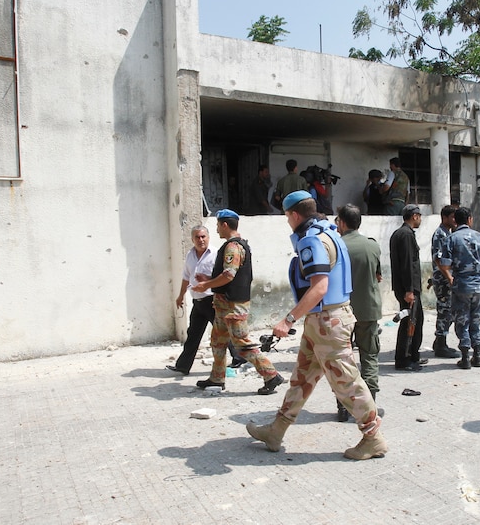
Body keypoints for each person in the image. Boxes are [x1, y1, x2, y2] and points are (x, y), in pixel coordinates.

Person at [246, 191, 387, 460]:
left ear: (294, 215)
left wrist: (288, 320)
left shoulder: (312, 240)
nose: (287, 221)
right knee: (302, 378)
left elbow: (320, 286)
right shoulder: (330, 231)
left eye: (287, 216)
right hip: (322, 322)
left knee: (347, 383)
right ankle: (276, 431)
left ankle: (373, 438)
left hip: (328, 323)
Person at [191, 209, 284, 395]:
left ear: (225, 225)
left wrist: (206, 285)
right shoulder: (233, 245)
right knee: (218, 341)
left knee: (242, 344)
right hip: (224, 305)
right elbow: (228, 274)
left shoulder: (233, 247)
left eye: (218, 225)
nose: (217, 229)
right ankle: (217, 378)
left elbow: (229, 275)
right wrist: (209, 277)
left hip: (233, 307)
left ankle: (271, 375)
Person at [336, 203, 383, 421]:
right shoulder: (372, 246)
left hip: (341, 311)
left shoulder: (336, 245)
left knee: (343, 360)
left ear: (342, 222)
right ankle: (369, 405)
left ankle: (344, 407)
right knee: (369, 356)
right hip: (368, 309)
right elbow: (377, 275)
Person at [439, 206, 480, 369]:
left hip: (462, 285)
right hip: (478, 285)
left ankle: (465, 357)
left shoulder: (451, 239)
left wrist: (450, 279)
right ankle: (477, 355)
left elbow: (444, 264)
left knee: (462, 320)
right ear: (469, 219)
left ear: (456, 220)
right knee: (476, 320)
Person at [166, 226, 216, 375]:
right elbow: (186, 277)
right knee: (193, 335)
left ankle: (239, 360)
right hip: (198, 302)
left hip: (213, 301)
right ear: (192, 239)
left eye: (203, 237)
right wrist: (181, 295)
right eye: (197, 237)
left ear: (208, 237)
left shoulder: (216, 254)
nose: (200, 240)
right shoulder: (190, 255)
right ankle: (183, 366)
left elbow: (223, 277)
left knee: (224, 332)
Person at [390, 203, 426, 370]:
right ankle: (404, 359)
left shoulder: (404, 234)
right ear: (414, 216)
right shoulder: (405, 235)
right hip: (408, 289)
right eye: (419, 216)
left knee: (416, 322)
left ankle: (413, 356)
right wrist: (409, 290)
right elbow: (407, 264)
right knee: (409, 324)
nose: (420, 219)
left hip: (408, 288)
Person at [430, 205, 460, 359]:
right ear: (445, 217)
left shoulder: (448, 233)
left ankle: (439, 341)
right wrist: (449, 277)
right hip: (443, 280)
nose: (455, 220)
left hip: (447, 279)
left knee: (450, 311)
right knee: (445, 311)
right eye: (453, 217)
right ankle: (441, 344)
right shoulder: (440, 234)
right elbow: (438, 258)